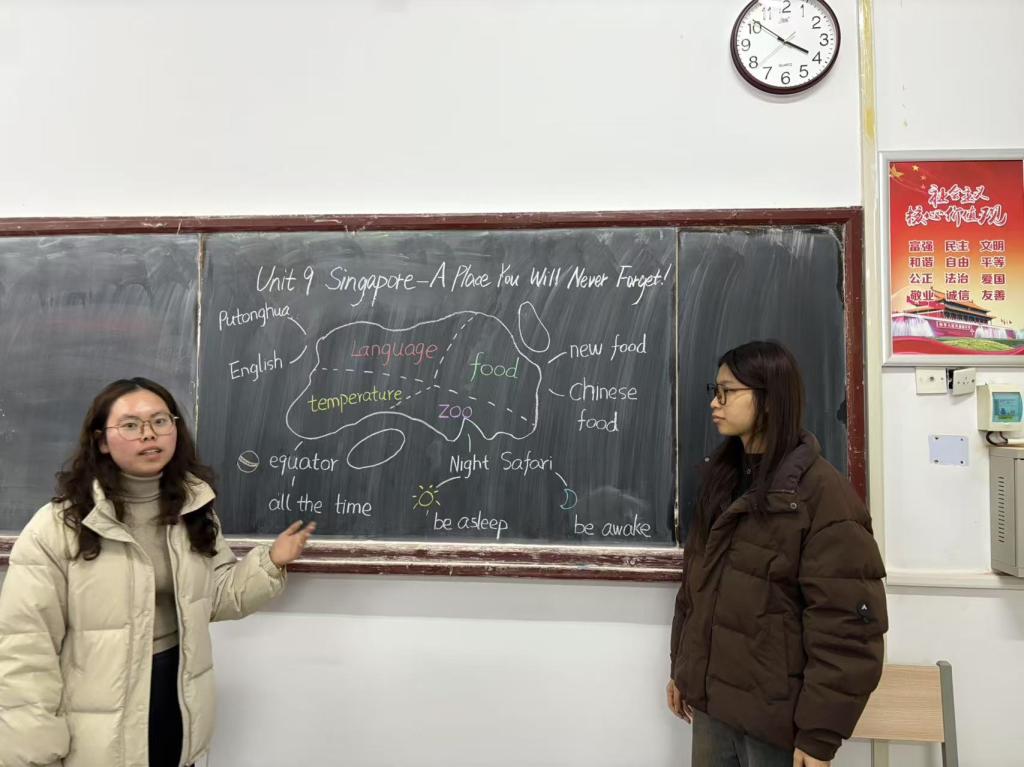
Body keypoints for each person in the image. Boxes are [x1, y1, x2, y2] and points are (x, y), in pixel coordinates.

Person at [0, 377, 316, 767]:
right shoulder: (58, 526)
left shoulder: (193, 509)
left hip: (178, 699)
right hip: (99, 722)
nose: (149, 434)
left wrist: (271, 562)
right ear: (101, 440)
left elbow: (214, 597)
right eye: (131, 425)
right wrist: (34, 751)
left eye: (160, 421)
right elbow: (24, 648)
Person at [666, 341, 887, 766]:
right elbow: (695, 589)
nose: (715, 402)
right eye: (715, 390)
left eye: (728, 391)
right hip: (713, 708)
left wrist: (819, 734)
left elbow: (847, 626)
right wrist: (683, 670)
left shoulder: (822, 495)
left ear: (768, 399)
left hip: (776, 723)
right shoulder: (721, 481)